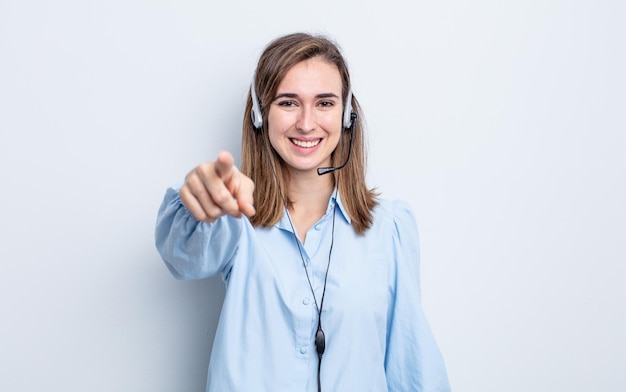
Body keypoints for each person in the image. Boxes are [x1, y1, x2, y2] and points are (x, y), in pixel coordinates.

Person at [155, 32, 451, 392]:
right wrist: (197, 203)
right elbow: (182, 258)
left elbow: (409, 361)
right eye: (288, 103)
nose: (307, 123)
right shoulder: (234, 219)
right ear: (260, 115)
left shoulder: (389, 227)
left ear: (347, 116)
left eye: (325, 103)